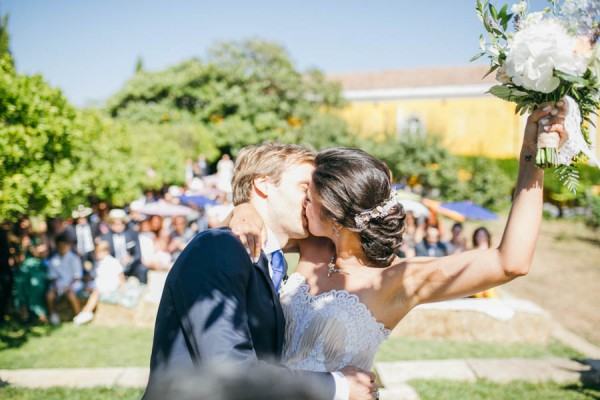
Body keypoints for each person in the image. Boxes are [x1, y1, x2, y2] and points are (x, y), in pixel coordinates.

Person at [229, 101, 567, 375]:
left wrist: (530, 157)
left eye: (308, 196)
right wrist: (244, 209)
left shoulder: (397, 281)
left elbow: (511, 261)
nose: (301, 204)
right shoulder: (314, 247)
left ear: (334, 215)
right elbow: (255, 230)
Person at [145, 143, 377, 400]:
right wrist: (339, 387)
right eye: (305, 188)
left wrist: (240, 208)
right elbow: (227, 370)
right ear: (263, 184)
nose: (314, 198)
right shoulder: (217, 248)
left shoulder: (269, 262)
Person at [73, 241, 125, 325]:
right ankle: (80, 312)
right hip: (99, 284)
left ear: (106, 252)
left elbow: (120, 275)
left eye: (98, 252)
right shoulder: (97, 263)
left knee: (96, 292)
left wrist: (122, 286)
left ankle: (86, 312)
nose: (96, 254)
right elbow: (94, 276)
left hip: (109, 285)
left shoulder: (112, 261)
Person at [100, 209, 148, 284]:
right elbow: (102, 257)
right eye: (114, 224)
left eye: (120, 223)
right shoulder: (105, 238)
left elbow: (138, 254)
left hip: (130, 266)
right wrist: (115, 262)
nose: (117, 226)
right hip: (114, 268)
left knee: (142, 268)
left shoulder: (132, 234)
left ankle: (143, 290)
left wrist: (130, 259)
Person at [46, 233, 84, 325]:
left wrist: (69, 286)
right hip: (59, 285)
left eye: (64, 245)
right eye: (60, 245)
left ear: (69, 246)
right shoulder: (53, 260)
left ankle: (78, 315)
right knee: (49, 295)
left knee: (71, 294)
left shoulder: (74, 259)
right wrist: (56, 286)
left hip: (73, 284)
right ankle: (53, 315)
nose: (62, 247)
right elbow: (52, 277)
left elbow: (77, 277)